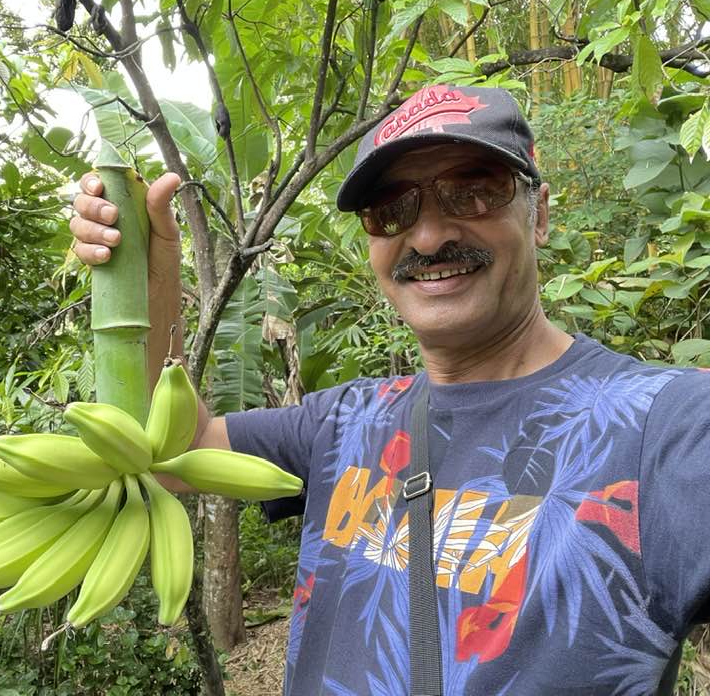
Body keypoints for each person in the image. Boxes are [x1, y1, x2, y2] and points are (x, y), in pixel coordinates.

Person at [69, 85, 710, 695]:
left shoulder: (667, 427)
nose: (428, 237)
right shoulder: (343, 421)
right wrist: (152, 274)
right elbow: (172, 449)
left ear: (537, 214)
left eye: (472, 192)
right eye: (392, 209)